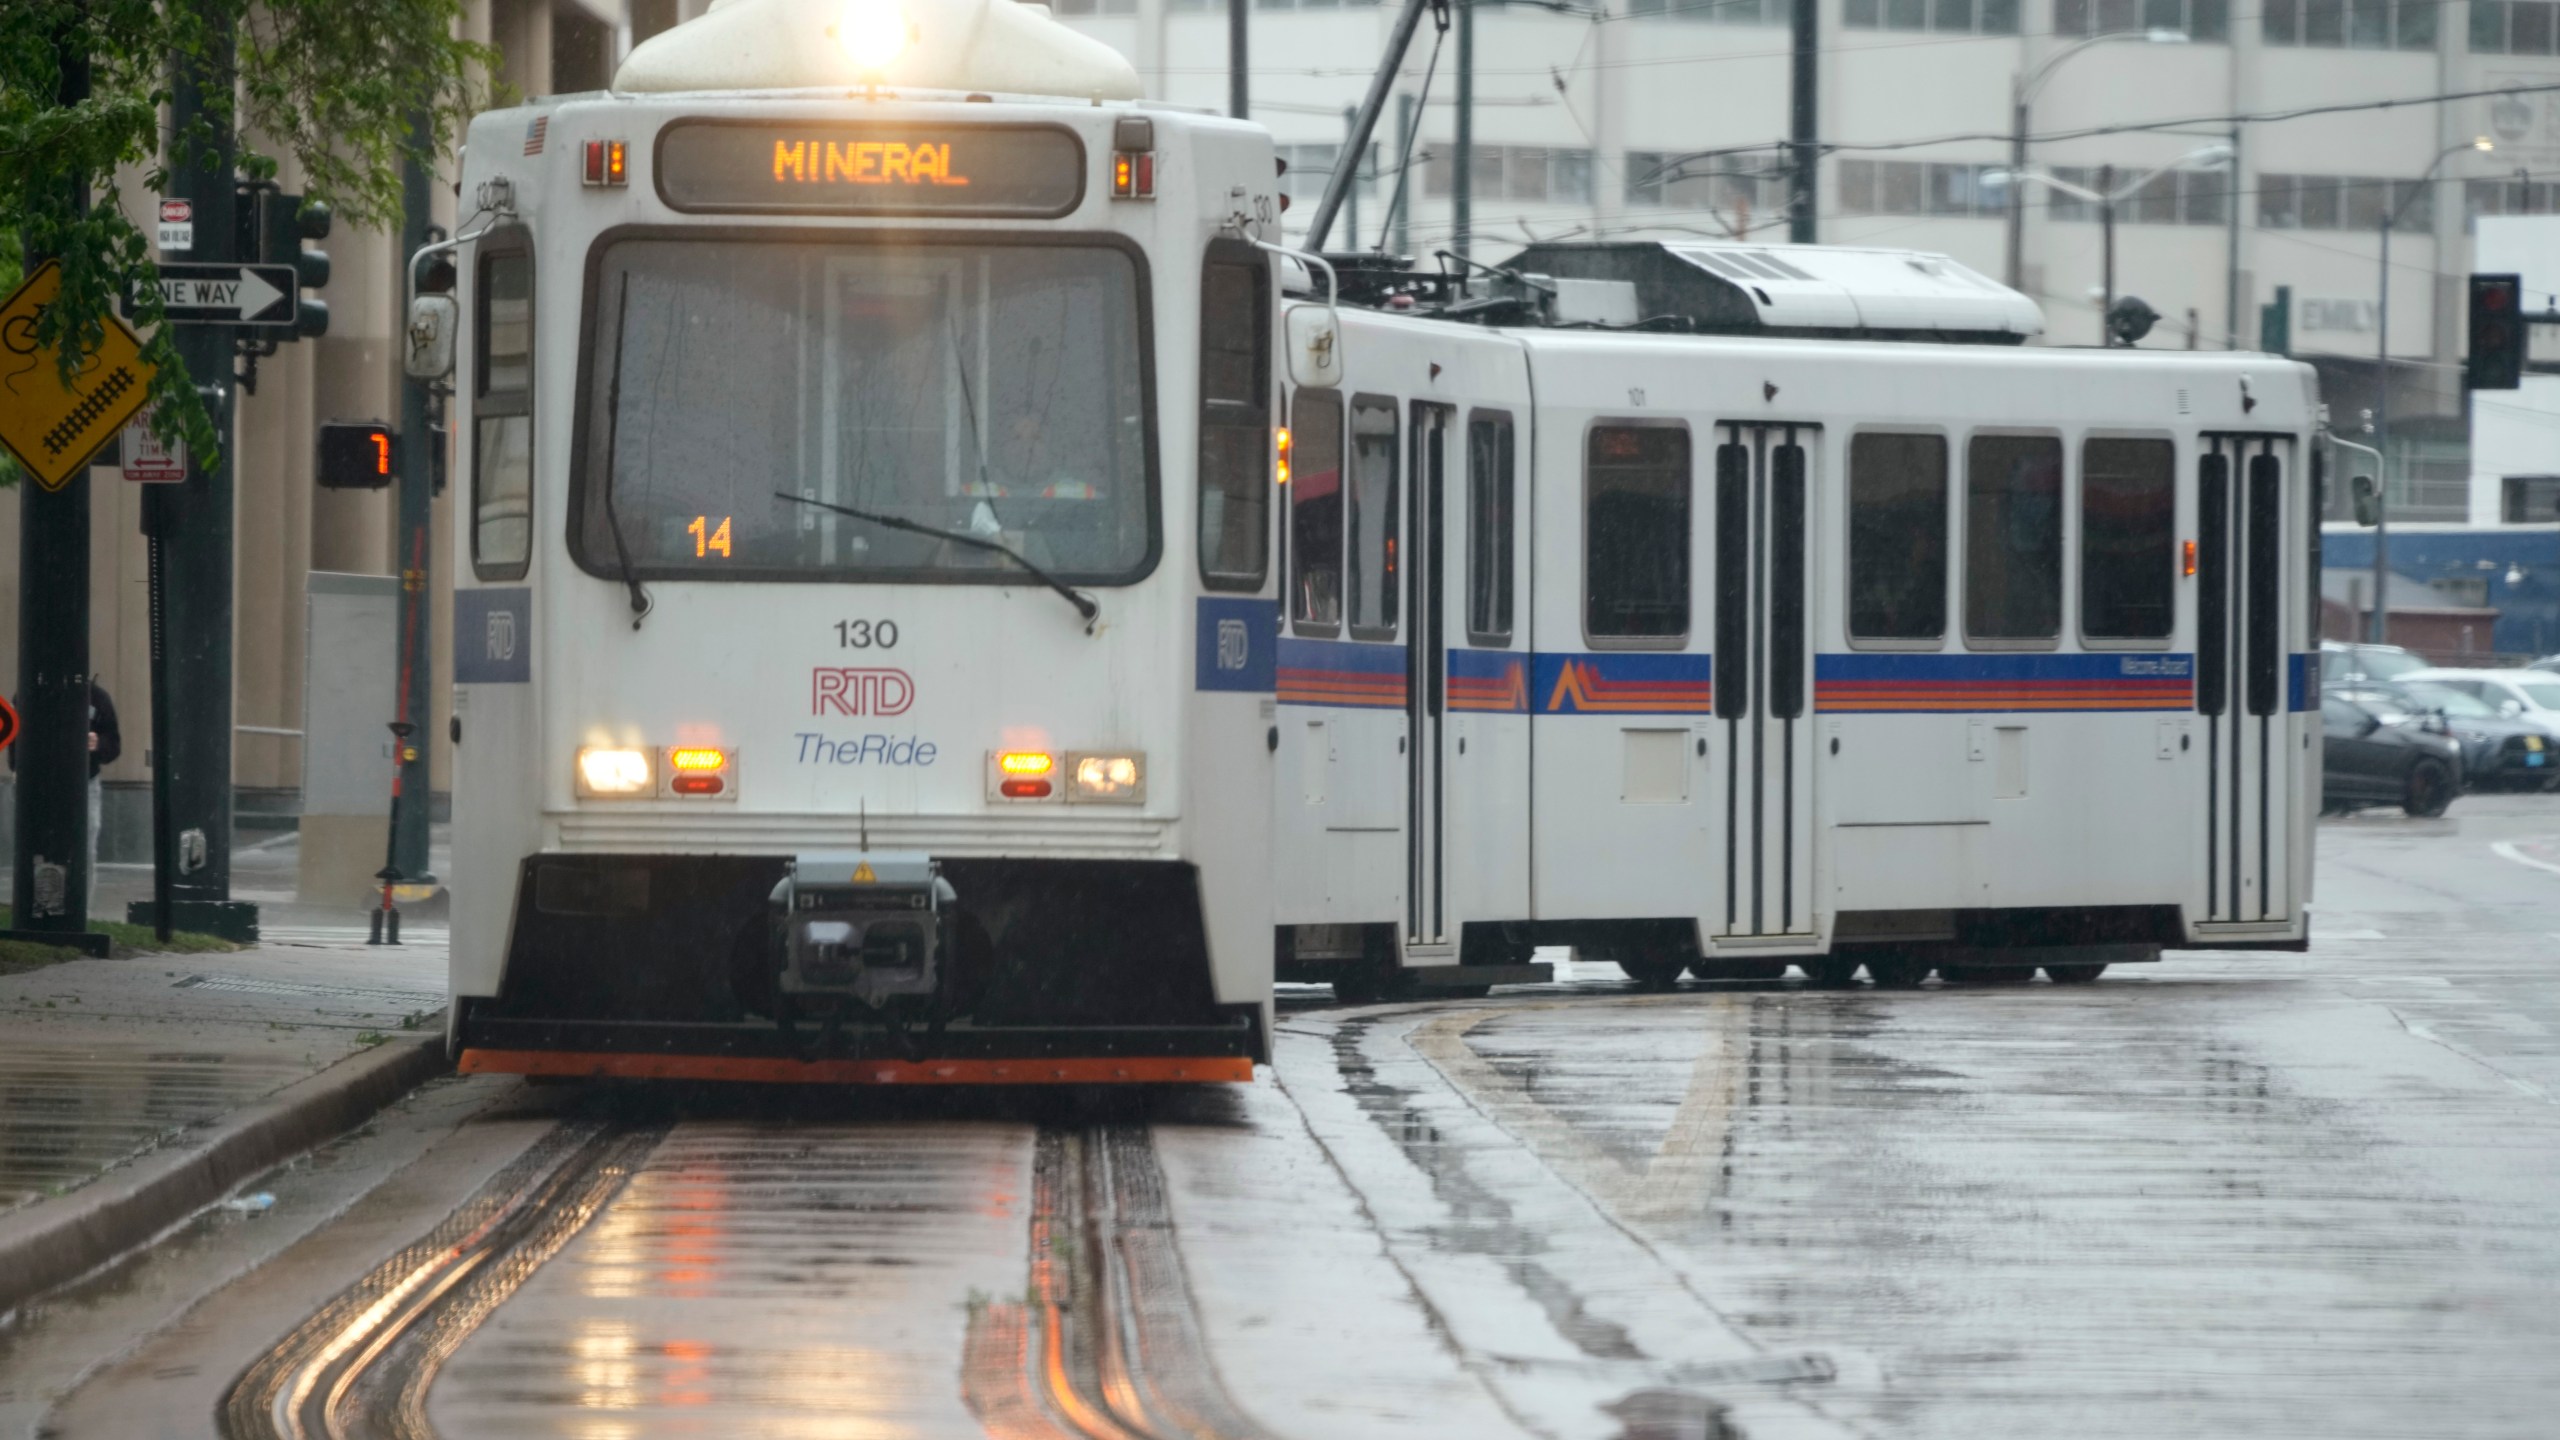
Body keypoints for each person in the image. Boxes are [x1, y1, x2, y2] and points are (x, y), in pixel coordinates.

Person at [6, 679, 119, 909]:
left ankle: (78, 911)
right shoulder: (29, 693)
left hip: (84, 782)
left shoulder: (97, 697)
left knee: (84, 849)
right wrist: (19, 769)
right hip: (39, 783)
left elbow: (113, 744)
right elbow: (14, 738)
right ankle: (42, 906)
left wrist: (98, 743)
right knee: (38, 846)